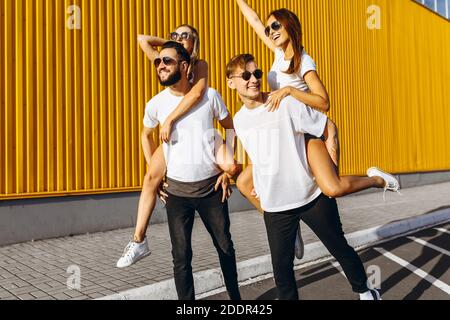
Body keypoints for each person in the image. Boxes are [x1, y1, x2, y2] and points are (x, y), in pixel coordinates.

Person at [235, 1, 400, 259]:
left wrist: (290, 90)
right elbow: (254, 21)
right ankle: (289, 226)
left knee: (332, 189)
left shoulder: (303, 61)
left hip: (309, 132)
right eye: (269, 29)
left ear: (289, 24)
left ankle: (377, 179)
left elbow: (324, 102)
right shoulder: (278, 54)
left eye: (276, 25)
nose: (270, 31)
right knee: (244, 182)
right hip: (285, 136)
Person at [227, 53, 389, 300]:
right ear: (231, 82)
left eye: (257, 74)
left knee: (340, 249)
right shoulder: (238, 120)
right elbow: (258, 156)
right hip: (276, 207)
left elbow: (326, 127)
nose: (254, 80)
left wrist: (332, 170)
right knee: (282, 273)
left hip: (310, 196)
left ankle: (366, 292)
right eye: (246, 75)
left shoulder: (286, 103)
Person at [117, 24, 239, 268]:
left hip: (201, 135)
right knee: (151, 177)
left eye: (186, 36)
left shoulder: (199, 65)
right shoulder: (166, 58)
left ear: (195, 42)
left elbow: (195, 95)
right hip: (174, 139)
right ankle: (138, 240)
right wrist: (170, 43)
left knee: (233, 167)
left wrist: (170, 119)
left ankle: (278, 212)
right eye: (175, 35)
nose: (179, 39)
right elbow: (142, 39)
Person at [141, 41, 241, 300]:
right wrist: (155, 173)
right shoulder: (156, 104)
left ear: (184, 66)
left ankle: (236, 299)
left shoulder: (210, 96)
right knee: (181, 257)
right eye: (157, 62)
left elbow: (230, 128)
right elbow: (145, 134)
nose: (160, 66)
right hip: (177, 194)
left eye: (167, 61)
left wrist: (226, 171)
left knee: (225, 247)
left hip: (211, 191)